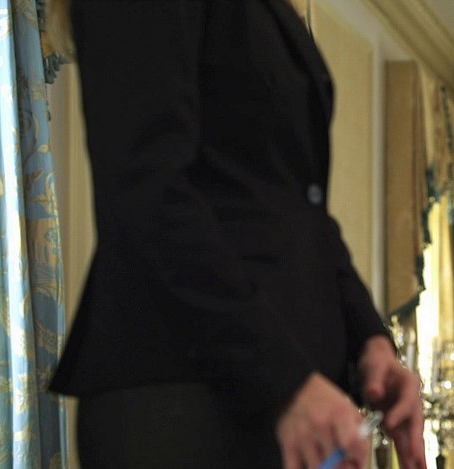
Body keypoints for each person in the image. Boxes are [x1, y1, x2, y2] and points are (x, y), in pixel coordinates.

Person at [47, 1, 427, 468]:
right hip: (186, 399)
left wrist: (371, 342)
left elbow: (303, 213)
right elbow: (147, 193)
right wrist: (284, 380)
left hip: (265, 395)